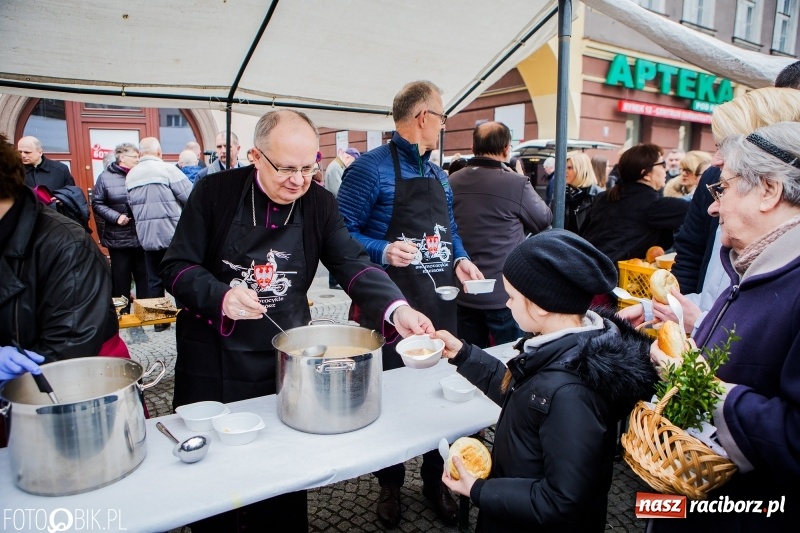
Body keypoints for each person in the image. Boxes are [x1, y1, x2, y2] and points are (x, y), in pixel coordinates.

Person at [160, 109, 434, 532]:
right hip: (213, 357)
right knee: (216, 481)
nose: (299, 180)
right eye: (287, 169)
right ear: (255, 156)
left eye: (309, 168)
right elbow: (176, 266)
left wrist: (397, 309)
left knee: (282, 474)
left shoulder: (319, 203)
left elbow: (352, 263)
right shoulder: (214, 193)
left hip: (286, 356)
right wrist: (222, 296)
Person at [436, 229, 657, 532]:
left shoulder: (570, 391)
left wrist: (479, 490)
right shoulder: (566, 348)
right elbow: (524, 396)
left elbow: (562, 501)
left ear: (540, 305)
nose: (508, 304)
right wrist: (463, 354)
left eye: (512, 297)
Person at [337, 80, 483, 527]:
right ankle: (389, 485)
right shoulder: (369, 169)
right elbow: (339, 236)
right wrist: (382, 249)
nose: (444, 124)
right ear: (423, 117)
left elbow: (450, 229)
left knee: (439, 396)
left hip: (439, 302)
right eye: (442, 116)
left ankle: (437, 481)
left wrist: (460, 258)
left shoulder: (439, 174)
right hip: (388, 304)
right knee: (390, 394)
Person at [649, 122, 800, 532]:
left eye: (723, 189)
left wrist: (699, 384)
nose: (712, 208)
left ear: (769, 191)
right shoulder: (753, 267)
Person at [621, 87, 800, 335]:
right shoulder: (736, 217)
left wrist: (699, 324)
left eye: (725, 145)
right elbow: (714, 296)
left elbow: (755, 335)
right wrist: (657, 311)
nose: (713, 209)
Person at [0, 132, 122, 363]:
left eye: (27, 151)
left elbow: (71, 342)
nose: (23, 155)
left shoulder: (67, 244)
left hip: (63, 378)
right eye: (20, 151)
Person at [672, 87, 800, 295]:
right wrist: (676, 307)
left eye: (726, 145)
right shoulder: (714, 177)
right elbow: (691, 253)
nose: (715, 160)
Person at [449, 122, 551, 348]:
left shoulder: (452, 181)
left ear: (473, 147)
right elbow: (543, 219)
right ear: (506, 148)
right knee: (512, 356)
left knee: (471, 357)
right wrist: (522, 178)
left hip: (464, 289)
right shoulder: (515, 183)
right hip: (504, 294)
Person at [582, 144, 690, 263]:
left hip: (585, 263)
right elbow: (697, 208)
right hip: (612, 271)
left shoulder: (603, 197)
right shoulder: (653, 205)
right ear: (646, 174)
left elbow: (583, 234)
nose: (666, 169)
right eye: (662, 164)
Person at [125, 137, 192, 325]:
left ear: (140, 154)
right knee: (179, 276)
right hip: (173, 235)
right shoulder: (168, 170)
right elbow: (191, 197)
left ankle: (160, 321)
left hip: (147, 237)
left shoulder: (131, 175)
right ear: (159, 152)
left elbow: (130, 205)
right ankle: (184, 318)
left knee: (154, 279)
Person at [91, 143, 149, 314]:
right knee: (121, 279)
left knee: (144, 277)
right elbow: (97, 203)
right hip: (118, 238)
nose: (138, 160)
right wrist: (116, 217)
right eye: (134, 157)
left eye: (138, 157)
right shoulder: (105, 177)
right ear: (122, 157)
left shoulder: (141, 174)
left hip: (141, 236)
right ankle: (122, 314)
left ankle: (145, 313)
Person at [555, 151, 601, 235]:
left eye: (569, 168)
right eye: (564, 167)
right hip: (563, 241)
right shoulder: (560, 193)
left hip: (587, 242)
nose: (565, 171)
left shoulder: (598, 195)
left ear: (581, 169)